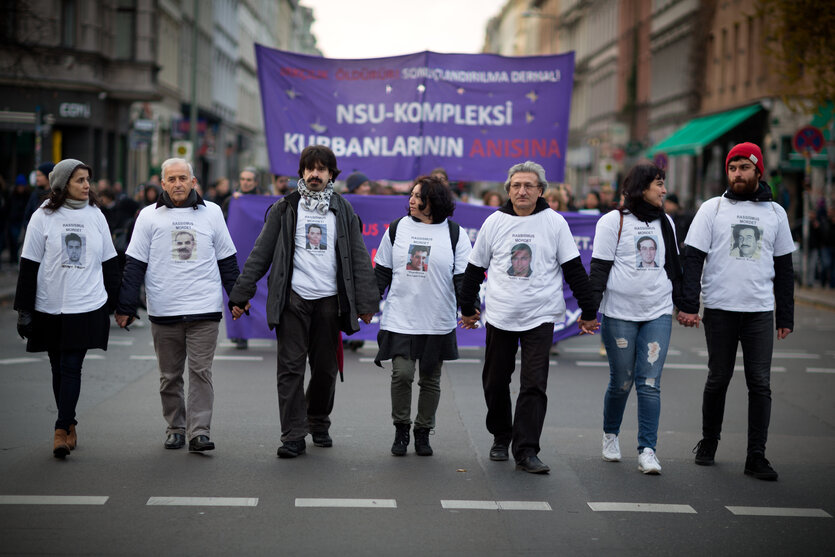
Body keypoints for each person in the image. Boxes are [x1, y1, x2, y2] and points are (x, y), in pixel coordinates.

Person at [227, 145, 379, 459]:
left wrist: (366, 302)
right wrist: (241, 294)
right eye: (310, 169)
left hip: (329, 302)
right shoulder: (285, 208)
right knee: (290, 369)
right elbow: (260, 254)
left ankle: (318, 420)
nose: (314, 174)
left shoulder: (344, 210)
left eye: (322, 169)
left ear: (331, 174)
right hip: (292, 300)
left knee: (325, 370)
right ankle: (293, 434)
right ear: (302, 172)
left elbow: (360, 258)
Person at [459, 161, 599, 474]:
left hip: (541, 315)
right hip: (500, 314)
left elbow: (574, 270)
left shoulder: (555, 223)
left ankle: (526, 450)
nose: (522, 191)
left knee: (534, 385)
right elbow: (473, 269)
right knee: (495, 382)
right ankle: (500, 435)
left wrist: (589, 311)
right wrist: (467, 308)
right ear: (508, 190)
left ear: (540, 191)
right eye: (516, 186)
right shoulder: (494, 222)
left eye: (529, 186)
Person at [678, 142, 794, 481]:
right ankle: (709, 442)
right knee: (718, 378)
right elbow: (693, 256)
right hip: (720, 309)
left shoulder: (775, 213)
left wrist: (785, 316)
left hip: (759, 310)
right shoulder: (713, 208)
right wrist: (688, 305)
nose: (737, 173)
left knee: (760, 384)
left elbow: (785, 268)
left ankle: (756, 455)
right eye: (732, 167)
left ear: (759, 171)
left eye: (744, 167)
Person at [115, 158, 240, 453]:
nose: (177, 184)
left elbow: (227, 260)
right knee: (169, 376)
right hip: (164, 309)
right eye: (171, 179)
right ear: (162, 184)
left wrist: (237, 298)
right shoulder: (147, 216)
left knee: (200, 372)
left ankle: (199, 431)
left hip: (204, 308)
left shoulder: (213, 213)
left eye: (183, 178)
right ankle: (175, 427)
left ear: (193, 182)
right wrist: (126, 306)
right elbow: (134, 265)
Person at [14, 159, 120, 458]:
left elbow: (110, 262)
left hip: (86, 304)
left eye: (88, 180)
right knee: (57, 367)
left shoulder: (96, 215)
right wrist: (24, 310)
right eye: (80, 181)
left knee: (72, 366)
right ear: (62, 185)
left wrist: (119, 304)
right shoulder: (43, 216)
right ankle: (70, 422)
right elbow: (29, 264)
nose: (88, 186)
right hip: (49, 304)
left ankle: (61, 428)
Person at [588, 162, 683, 475]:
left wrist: (685, 305)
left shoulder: (666, 222)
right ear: (642, 187)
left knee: (650, 382)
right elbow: (599, 269)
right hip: (619, 314)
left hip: (657, 311)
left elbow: (675, 269)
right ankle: (611, 435)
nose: (664, 190)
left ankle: (647, 450)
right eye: (659, 184)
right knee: (622, 381)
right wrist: (590, 312)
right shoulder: (612, 222)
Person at [374, 175, 472, 456]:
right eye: (412, 195)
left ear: (436, 202)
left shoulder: (454, 234)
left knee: (430, 379)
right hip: (401, 316)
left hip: (436, 320)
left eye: (420, 196)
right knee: (402, 374)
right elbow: (381, 270)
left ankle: (423, 431)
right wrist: (368, 304)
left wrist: (469, 307)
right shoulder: (397, 229)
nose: (413, 200)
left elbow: (463, 277)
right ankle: (401, 428)